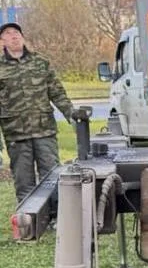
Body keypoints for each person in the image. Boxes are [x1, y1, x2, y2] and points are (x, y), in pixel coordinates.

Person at [0, 22, 87, 201]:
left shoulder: (40, 62)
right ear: (2, 42)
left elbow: (57, 92)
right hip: (16, 134)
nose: (14, 36)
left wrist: (71, 114)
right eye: (8, 34)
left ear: (23, 37)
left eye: (16, 32)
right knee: (24, 181)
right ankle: (29, 221)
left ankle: (56, 216)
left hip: (44, 131)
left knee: (52, 176)